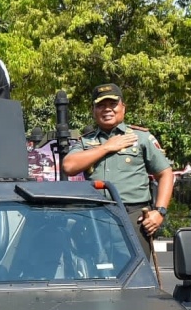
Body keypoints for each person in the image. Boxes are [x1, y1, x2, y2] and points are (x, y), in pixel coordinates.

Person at [62, 83, 173, 259]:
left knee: (136, 276)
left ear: (123, 107)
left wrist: (159, 212)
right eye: (101, 105)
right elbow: (68, 166)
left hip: (133, 218)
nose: (107, 109)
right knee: (98, 276)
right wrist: (106, 147)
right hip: (95, 219)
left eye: (112, 104)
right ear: (93, 110)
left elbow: (165, 173)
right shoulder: (86, 142)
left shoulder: (140, 138)